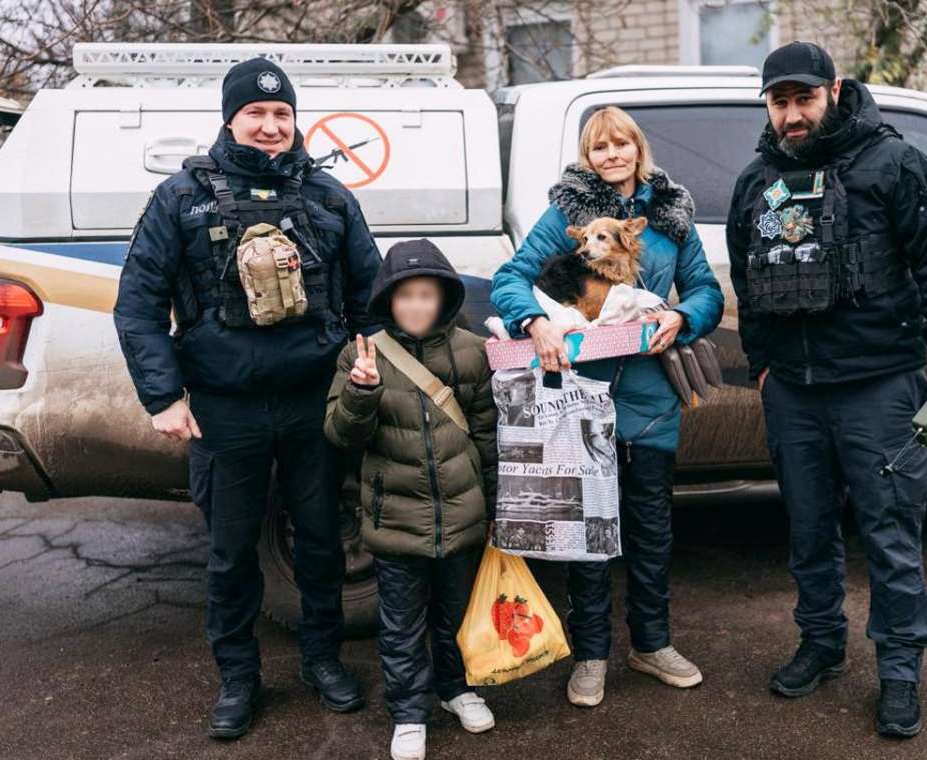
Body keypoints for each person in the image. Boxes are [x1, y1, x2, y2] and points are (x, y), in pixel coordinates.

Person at [114, 58, 381, 739]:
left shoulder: (328, 198)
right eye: (256, 114)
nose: (269, 126)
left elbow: (367, 298)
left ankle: (323, 660)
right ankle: (239, 678)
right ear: (231, 119)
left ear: (295, 122)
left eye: (281, 115)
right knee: (232, 552)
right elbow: (138, 307)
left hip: (311, 403)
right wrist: (162, 396)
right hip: (222, 408)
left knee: (320, 540)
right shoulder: (180, 199)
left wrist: (367, 361)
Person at [727, 41, 927, 738]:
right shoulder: (756, 181)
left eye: (804, 97)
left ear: (834, 90)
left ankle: (900, 670)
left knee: (890, 533)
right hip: (795, 392)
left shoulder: (892, 163)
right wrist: (763, 365)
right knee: (808, 532)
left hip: (880, 385)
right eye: (780, 101)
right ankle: (822, 643)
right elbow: (747, 278)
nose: (792, 113)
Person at [491, 106, 724, 707]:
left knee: (650, 528)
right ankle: (591, 654)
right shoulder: (565, 212)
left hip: (650, 398)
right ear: (587, 156)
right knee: (587, 531)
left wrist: (681, 315)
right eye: (600, 147)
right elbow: (511, 277)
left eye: (622, 143)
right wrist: (535, 319)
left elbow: (705, 289)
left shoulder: (672, 216)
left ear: (638, 149)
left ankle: (651, 644)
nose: (613, 154)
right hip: (579, 398)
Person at [325, 239, 498, 760]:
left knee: (456, 616)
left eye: (427, 294)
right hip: (395, 521)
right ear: (389, 300)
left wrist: (495, 508)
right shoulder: (362, 354)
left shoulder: (470, 351)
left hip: (463, 517)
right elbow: (340, 435)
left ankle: (455, 689)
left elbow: (488, 436)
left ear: (443, 298)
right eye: (406, 296)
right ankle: (408, 712)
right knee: (401, 624)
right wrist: (361, 391)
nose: (417, 306)